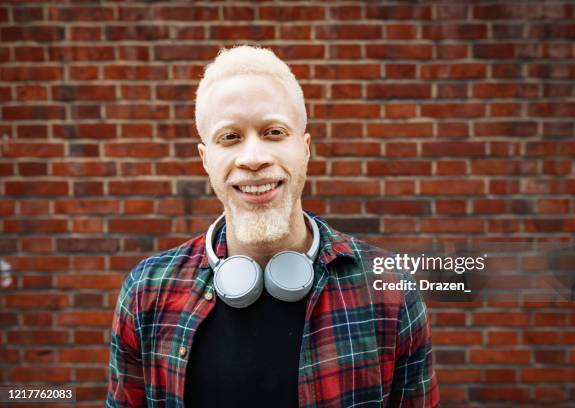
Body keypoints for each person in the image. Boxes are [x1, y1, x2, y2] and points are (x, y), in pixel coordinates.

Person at [106, 44, 439, 407]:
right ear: (206, 159)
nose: (253, 159)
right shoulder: (146, 292)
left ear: (305, 148)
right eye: (230, 137)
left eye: (274, 132)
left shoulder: (389, 289)